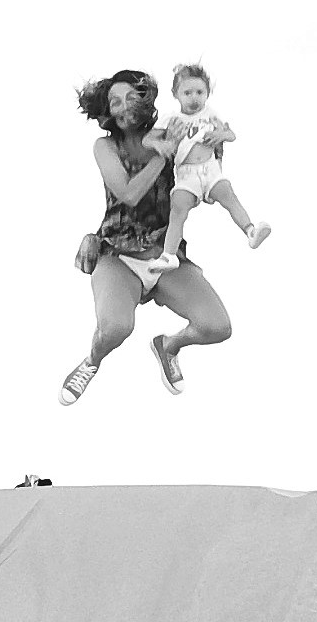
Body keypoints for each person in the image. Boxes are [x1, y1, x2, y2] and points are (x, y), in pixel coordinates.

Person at [58, 69, 232, 405]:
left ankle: (168, 346)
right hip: (117, 256)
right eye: (115, 102)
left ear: (146, 101)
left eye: (129, 99)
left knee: (217, 326)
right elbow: (127, 193)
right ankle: (92, 361)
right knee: (116, 328)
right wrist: (162, 155)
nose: (122, 108)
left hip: (165, 256)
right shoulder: (106, 146)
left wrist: (211, 140)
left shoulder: (169, 132)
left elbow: (205, 179)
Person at [155, 62, 270, 258]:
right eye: (187, 92)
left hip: (210, 169)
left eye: (200, 92)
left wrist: (220, 136)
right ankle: (169, 254)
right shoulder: (172, 119)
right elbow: (149, 138)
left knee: (228, 196)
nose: (194, 98)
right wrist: (161, 144)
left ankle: (250, 230)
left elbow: (231, 134)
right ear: (176, 94)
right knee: (178, 209)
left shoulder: (210, 114)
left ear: (207, 93)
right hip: (187, 173)